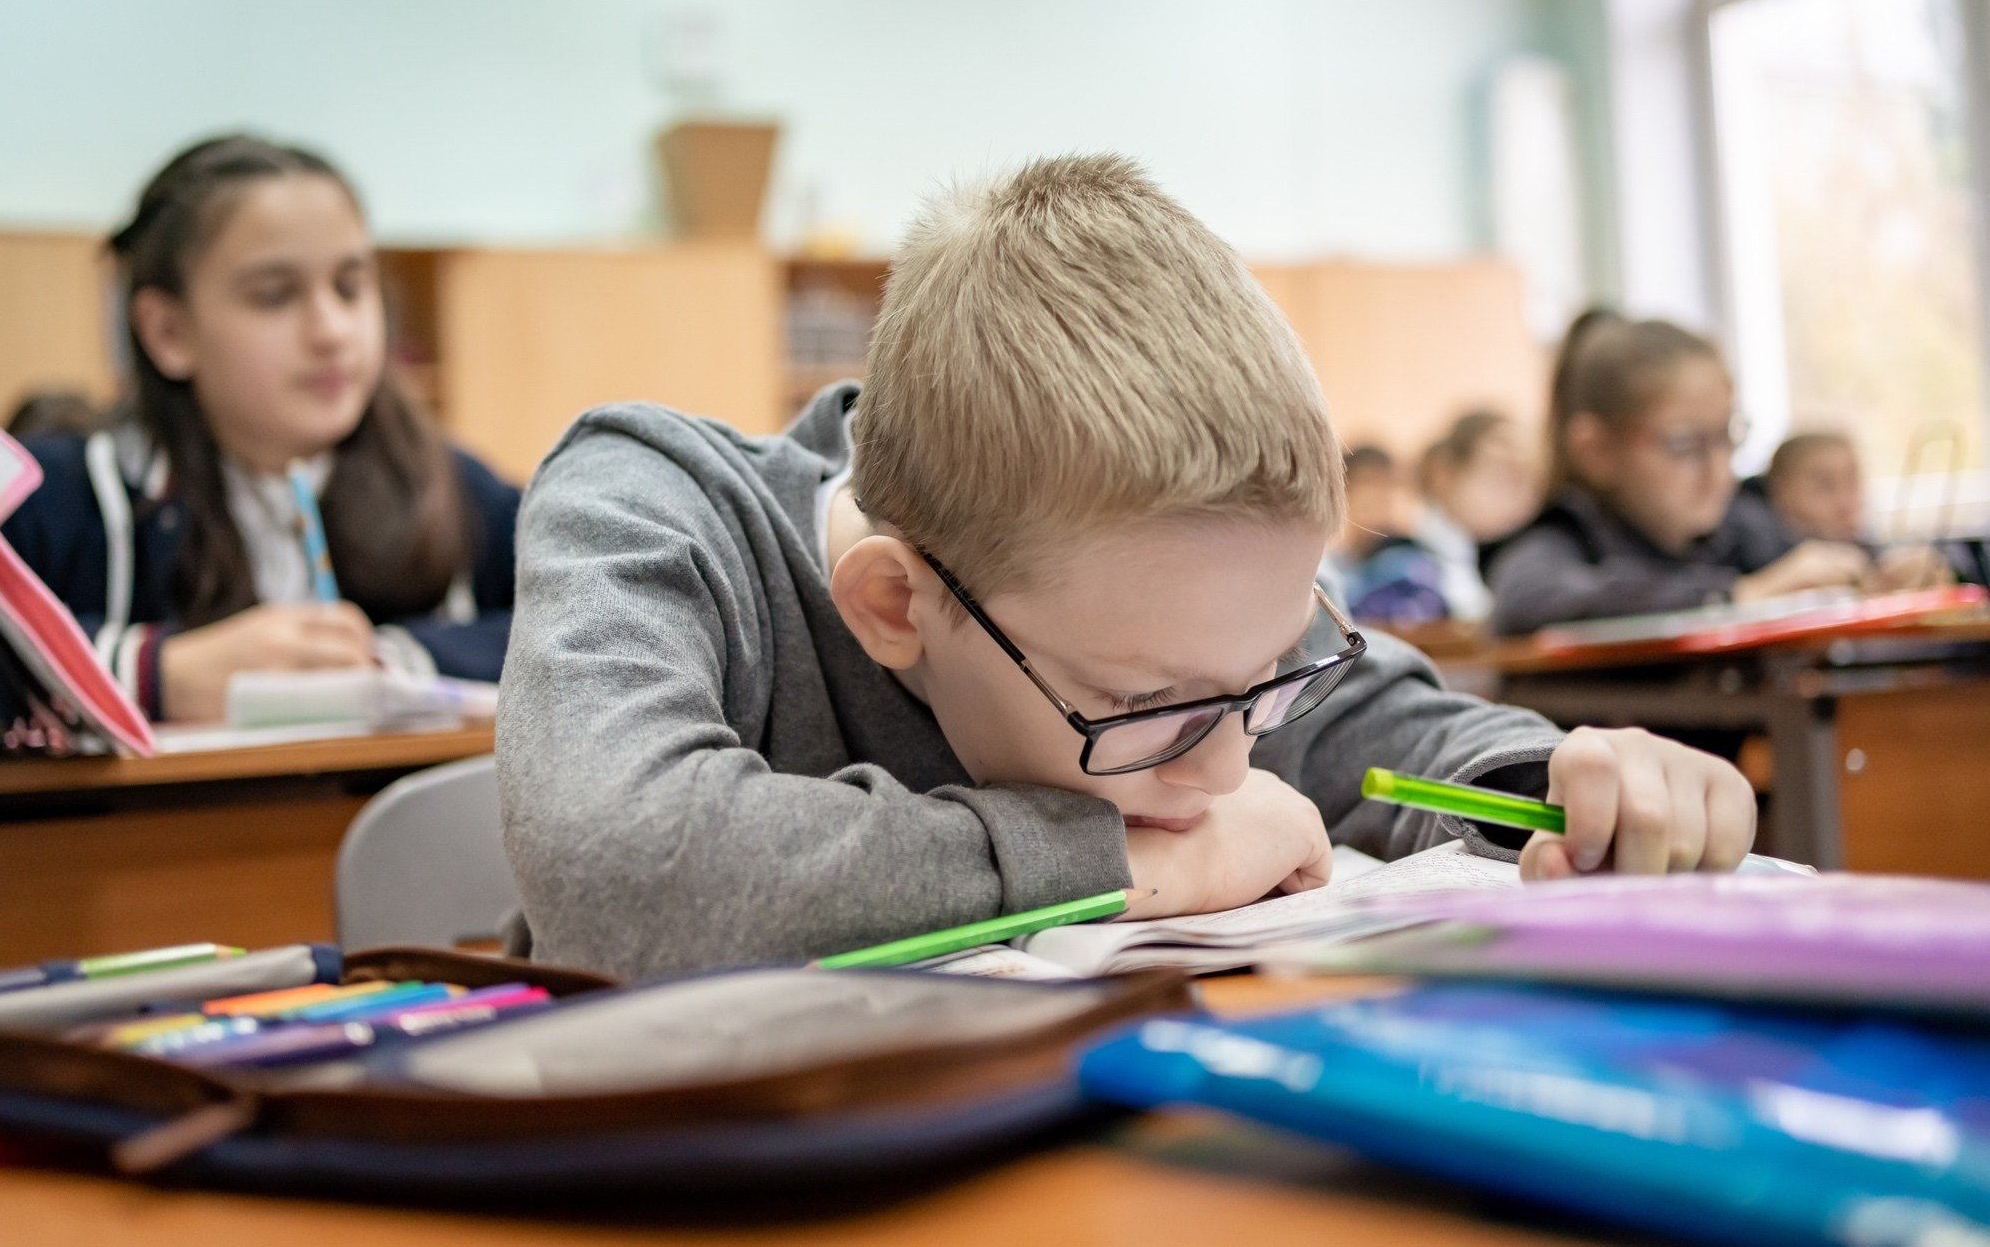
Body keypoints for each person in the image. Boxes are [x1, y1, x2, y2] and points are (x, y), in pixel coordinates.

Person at [499, 156, 1757, 982]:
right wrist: (1127, 865)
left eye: (1267, 679)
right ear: (897, 604)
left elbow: (1388, 736)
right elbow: (622, 872)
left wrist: (1568, 786)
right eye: (1148, 711)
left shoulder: (1169, 634)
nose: (1223, 771)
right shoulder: (650, 502)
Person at [0, 135, 518, 729]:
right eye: (274, 296)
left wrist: (390, 660)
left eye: (350, 286)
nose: (332, 330)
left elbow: (607, 618)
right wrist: (154, 674)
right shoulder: (57, 495)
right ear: (168, 333)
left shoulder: (450, 484)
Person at [1485, 310, 1878, 637]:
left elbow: (1807, 558)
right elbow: (1526, 601)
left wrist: (1879, 571)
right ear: (1598, 451)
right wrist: (1736, 594)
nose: (1719, 471)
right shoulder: (1561, 538)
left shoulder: (1738, 526)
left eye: (1727, 436)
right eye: (1685, 444)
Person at [1763, 431, 1950, 590]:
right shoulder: (1757, 557)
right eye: (1824, 486)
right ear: (1781, 492)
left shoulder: (1868, 551)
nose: (1845, 503)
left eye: (1852, 483)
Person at [1414, 409, 1539, 623]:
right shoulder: (1411, 566)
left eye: (1526, 480)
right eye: (1502, 477)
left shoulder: (1529, 554)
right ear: (1443, 474)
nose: (1522, 499)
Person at [1323, 445, 1449, 625]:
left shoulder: (1412, 562)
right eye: (1368, 487)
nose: (1380, 500)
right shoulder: (1330, 565)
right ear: (1342, 495)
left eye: (1388, 489)